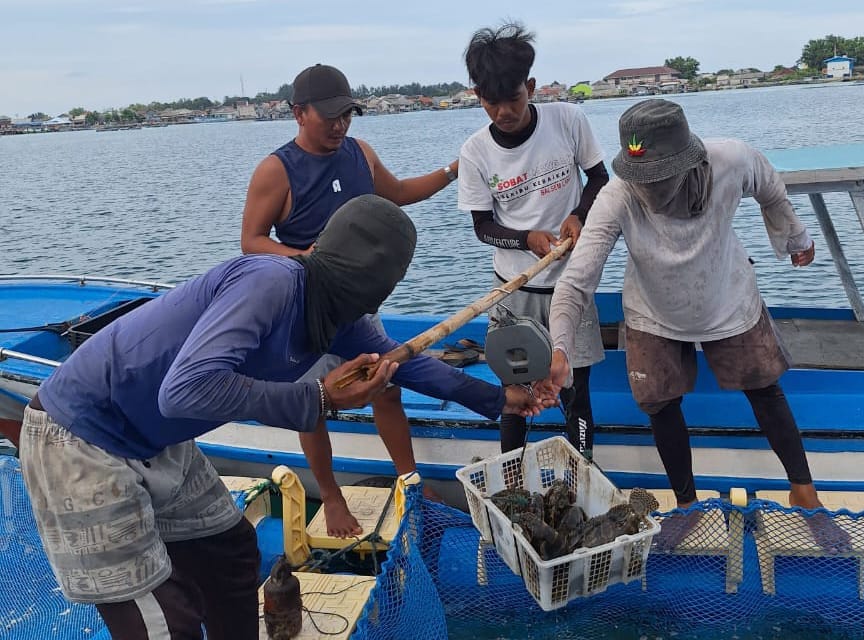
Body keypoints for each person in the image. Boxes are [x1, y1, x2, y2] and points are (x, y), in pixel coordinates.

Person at [19, 195, 544, 640]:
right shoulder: (270, 282)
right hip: (81, 438)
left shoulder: (336, 314)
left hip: (154, 439)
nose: (354, 309)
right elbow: (185, 391)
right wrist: (318, 399)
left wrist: (500, 399)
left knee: (231, 554)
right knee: (163, 621)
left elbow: (403, 363)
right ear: (318, 258)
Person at [545, 99, 851, 552]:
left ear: (689, 161)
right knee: (659, 403)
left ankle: (804, 491)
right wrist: (560, 349)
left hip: (726, 293)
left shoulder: (732, 159)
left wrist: (796, 238)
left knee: (764, 389)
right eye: (638, 178)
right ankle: (686, 504)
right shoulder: (616, 197)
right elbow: (576, 282)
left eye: (657, 178)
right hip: (653, 310)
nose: (646, 189)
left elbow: (771, 189)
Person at [240, 63, 461, 496]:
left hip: (358, 309)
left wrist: (453, 171)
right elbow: (252, 241)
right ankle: (333, 496)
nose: (340, 125)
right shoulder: (277, 170)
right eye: (329, 116)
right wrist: (308, 260)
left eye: (347, 115)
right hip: (304, 311)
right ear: (298, 113)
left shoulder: (360, 152)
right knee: (312, 407)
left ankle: (409, 480)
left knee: (386, 388)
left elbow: (398, 195)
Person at [457, 22, 609, 457]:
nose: (504, 111)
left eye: (514, 99)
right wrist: (526, 239)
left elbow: (599, 177)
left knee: (575, 393)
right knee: (514, 396)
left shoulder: (568, 119)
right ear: (477, 97)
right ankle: (508, 476)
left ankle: (585, 470)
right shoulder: (476, 152)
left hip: (571, 283)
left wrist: (579, 215)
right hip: (515, 290)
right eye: (492, 102)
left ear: (532, 86)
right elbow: (483, 226)